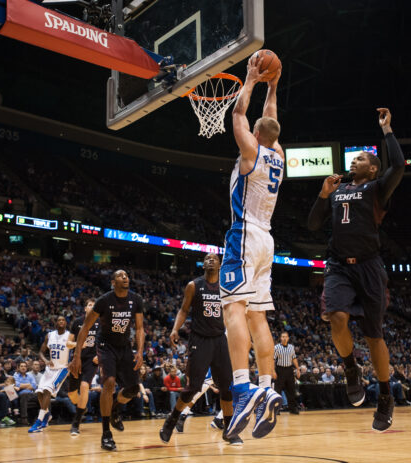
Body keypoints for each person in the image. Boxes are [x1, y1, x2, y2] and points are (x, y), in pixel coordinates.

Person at [307, 107, 404, 432]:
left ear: (374, 168)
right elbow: (312, 225)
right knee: (336, 318)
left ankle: (386, 396)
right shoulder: (338, 190)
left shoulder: (378, 188)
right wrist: (323, 195)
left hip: (369, 267)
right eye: (355, 159)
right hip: (338, 266)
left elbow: (400, 165)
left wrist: (387, 131)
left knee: (374, 335)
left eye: (361, 159)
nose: (354, 161)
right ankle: (350, 368)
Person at [220, 53, 284, 441]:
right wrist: (272, 86)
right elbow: (269, 118)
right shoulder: (278, 156)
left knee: (234, 308)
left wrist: (250, 78)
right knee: (259, 317)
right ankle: (267, 387)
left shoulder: (252, 152)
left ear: (256, 137)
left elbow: (238, 114)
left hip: (244, 235)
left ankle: (243, 390)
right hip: (268, 240)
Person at [160, 253, 238, 444]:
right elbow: (184, 310)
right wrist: (175, 329)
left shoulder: (226, 287)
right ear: (203, 264)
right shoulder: (194, 286)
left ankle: (229, 430)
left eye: (214, 258)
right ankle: (171, 420)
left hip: (220, 340)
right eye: (207, 258)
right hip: (199, 340)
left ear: (220, 264)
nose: (211, 260)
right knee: (193, 387)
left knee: (227, 388)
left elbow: (232, 313)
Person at [71, 270, 145, 451]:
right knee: (109, 383)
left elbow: (140, 328)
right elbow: (86, 328)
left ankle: (115, 408)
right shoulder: (104, 300)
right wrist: (77, 355)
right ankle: (106, 434)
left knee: (133, 389)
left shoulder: (136, 300)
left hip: (125, 346)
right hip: (105, 346)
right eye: (121, 276)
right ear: (113, 282)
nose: (125, 277)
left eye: (127, 275)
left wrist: (140, 351)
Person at [28, 315, 74, 433]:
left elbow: (77, 350)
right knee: (39, 392)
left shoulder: (70, 335)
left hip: (62, 368)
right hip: (50, 368)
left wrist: (73, 362)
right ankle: (47, 414)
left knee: (47, 390)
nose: (61, 321)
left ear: (66, 323)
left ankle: (39, 421)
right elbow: (41, 352)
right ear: (56, 323)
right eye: (59, 320)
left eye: (63, 320)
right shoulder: (49, 335)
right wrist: (46, 361)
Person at [67, 298, 99, 436]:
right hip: (77, 360)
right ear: (85, 308)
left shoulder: (101, 323)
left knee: (85, 386)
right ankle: (82, 407)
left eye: (94, 305)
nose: (92, 307)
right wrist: (78, 345)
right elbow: (68, 343)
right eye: (90, 305)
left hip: (91, 361)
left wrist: (100, 355)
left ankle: (76, 423)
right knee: (72, 394)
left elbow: (105, 342)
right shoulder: (77, 322)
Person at [274, 332, 301, 414]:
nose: (284, 338)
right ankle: (277, 409)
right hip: (280, 369)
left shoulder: (291, 347)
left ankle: (293, 409)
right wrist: (273, 370)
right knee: (278, 390)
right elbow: (273, 359)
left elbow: (294, 358)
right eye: (283, 336)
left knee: (291, 390)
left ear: (288, 338)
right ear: (280, 338)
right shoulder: (276, 347)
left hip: (289, 370)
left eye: (286, 337)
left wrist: (298, 369)